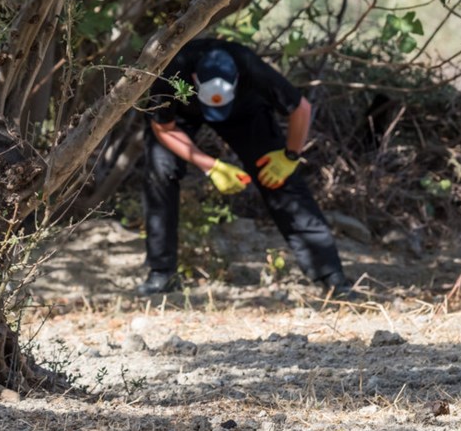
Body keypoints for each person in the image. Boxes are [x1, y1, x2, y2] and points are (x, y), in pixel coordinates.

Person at [140, 38, 353, 297]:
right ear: (194, 79)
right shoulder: (174, 70)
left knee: (280, 178)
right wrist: (210, 166)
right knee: (160, 170)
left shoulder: (249, 64)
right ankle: (161, 274)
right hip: (182, 114)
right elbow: (163, 128)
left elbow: (301, 108)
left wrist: (290, 157)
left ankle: (332, 276)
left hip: (244, 111)